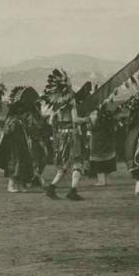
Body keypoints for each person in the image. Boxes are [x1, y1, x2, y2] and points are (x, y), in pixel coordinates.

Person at [42, 69, 90, 200]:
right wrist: (87, 119)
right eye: (69, 80)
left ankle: (52, 188)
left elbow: (52, 120)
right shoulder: (71, 99)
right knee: (77, 163)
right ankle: (72, 191)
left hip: (61, 136)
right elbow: (75, 120)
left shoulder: (56, 102)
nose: (71, 81)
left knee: (64, 166)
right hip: (71, 135)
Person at [0, 87, 35, 193]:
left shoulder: (21, 120)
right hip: (14, 147)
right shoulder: (11, 119)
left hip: (22, 146)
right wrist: (12, 127)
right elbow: (7, 132)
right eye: (19, 108)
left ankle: (20, 185)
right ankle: (11, 186)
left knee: (23, 164)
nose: (21, 110)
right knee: (15, 165)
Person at [89, 104, 117, 186]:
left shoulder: (94, 114)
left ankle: (101, 181)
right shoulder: (108, 113)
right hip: (108, 138)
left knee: (98, 159)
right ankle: (107, 180)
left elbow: (92, 126)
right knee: (108, 158)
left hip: (97, 138)